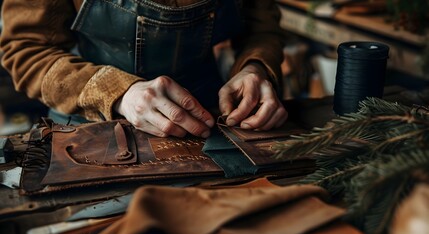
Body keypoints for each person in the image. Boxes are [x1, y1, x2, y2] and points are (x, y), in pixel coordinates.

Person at [0, 0, 287, 138]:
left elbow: (262, 27)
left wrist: (255, 68)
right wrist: (120, 92)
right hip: (91, 120)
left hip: (209, 116)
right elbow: (25, 50)